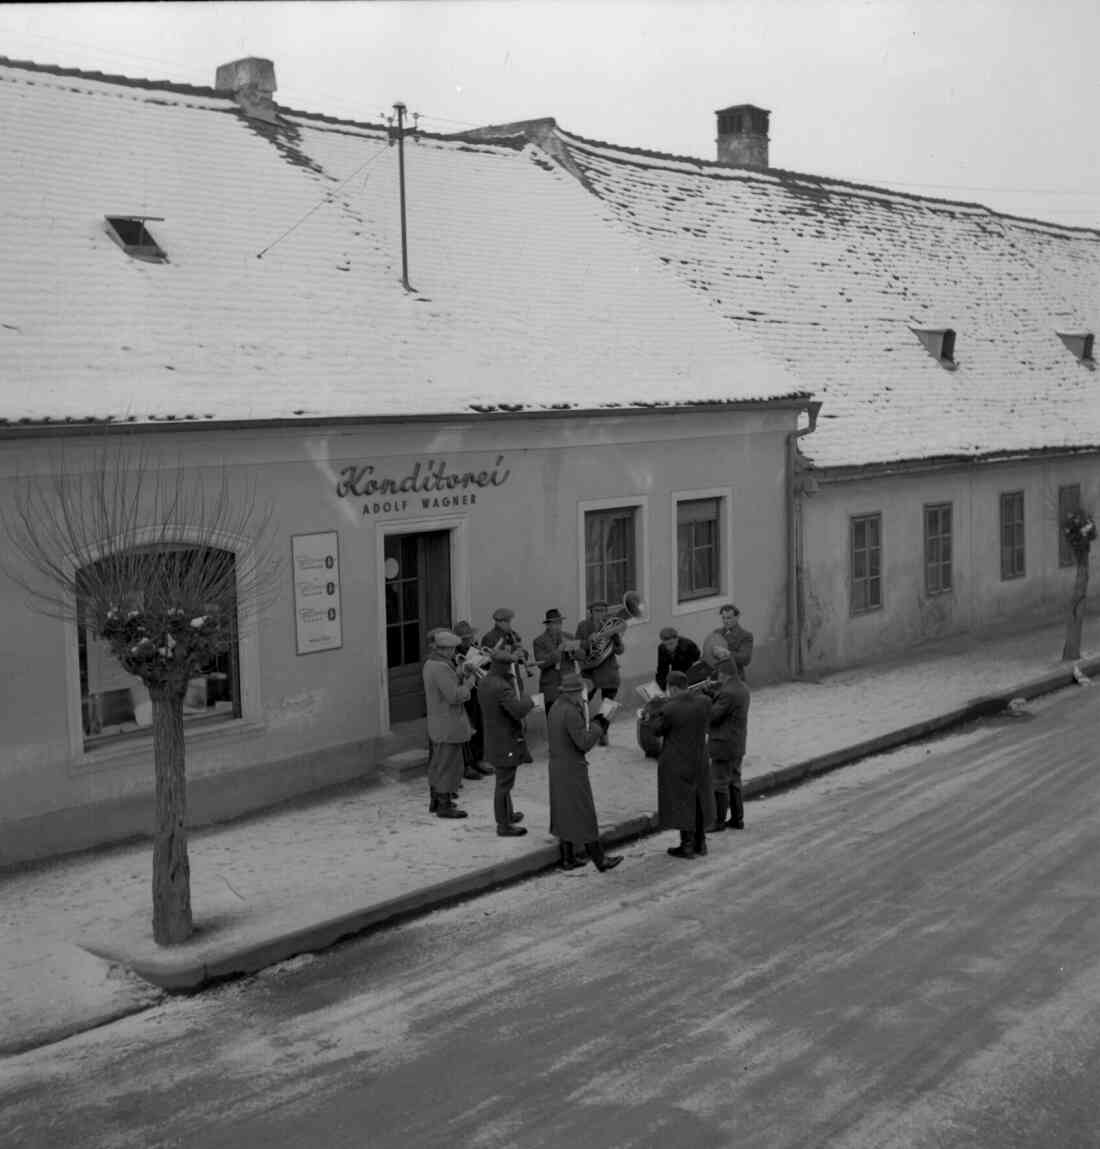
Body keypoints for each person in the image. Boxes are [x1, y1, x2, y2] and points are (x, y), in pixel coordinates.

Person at [546, 672, 623, 872]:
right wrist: (600, 724)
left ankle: (567, 858)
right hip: (572, 768)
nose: (584, 695)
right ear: (574, 693)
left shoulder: (556, 706)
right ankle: (600, 860)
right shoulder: (571, 711)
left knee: (564, 811)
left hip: (557, 766)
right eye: (582, 692)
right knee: (584, 812)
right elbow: (584, 743)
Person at [652, 671, 716, 859]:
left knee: (682, 802)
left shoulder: (670, 708)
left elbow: (657, 730)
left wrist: (654, 710)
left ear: (672, 688)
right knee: (698, 800)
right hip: (699, 758)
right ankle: (700, 843)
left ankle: (686, 845)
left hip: (677, 761)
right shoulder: (704, 702)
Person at [477, 648, 536, 837]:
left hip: (494, 739)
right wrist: (530, 700)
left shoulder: (485, 681)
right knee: (504, 784)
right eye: (509, 666)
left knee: (505, 781)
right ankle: (503, 824)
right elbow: (517, 711)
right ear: (504, 667)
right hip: (505, 741)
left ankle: (508, 814)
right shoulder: (501, 686)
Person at [421, 630, 475, 819]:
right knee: (448, 765)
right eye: (452, 649)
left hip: (439, 723)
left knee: (438, 763)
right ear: (444, 650)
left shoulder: (432, 664)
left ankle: (436, 800)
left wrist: (459, 672)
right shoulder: (441, 668)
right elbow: (454, 696)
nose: (454, 653)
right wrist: (468, 685)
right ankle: (444, 805)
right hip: (448, 724)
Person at [707, 658, 751, 831]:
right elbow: (726, 704)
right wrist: (712, 694)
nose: (718, 677)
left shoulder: (727, 692)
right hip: (737, 742)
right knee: (735, 781)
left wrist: (705, 700)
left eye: (719, 674)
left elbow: (713, 715)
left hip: (723, 743)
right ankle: (737, 819)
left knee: (719, 782)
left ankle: (718, 822)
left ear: (724, 674)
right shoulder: (743, 688)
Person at [576, 600, 623, 746]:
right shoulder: (583, 626)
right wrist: (588, 642)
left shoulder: (611, 625)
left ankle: (603, 730)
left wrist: (615, 640)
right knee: (582, 701)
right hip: (591, 670)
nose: (600, 614)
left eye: (603, 611)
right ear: (591, 612)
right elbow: (578, 646)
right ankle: (581, 731)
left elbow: (620, 650)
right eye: (597, 611)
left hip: (608, 670)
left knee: (608, 704)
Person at [453, 620, 492, 778]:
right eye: (464, 639)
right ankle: (466, 764)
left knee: (479, 725)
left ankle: (479, 759)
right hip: (462, 693)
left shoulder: (473, 649)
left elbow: (486, 668)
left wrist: (485, 660)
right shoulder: (454, 654)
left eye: (469, 637)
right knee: (465, 728)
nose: (468, 641)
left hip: (475, 692)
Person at [532, 608, 581, 709]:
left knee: (570, 718)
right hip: (551, 688)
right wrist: (558, 650)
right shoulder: (539, 641)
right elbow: (541, 664)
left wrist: (574, 651)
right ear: (548, 625)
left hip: (569, 686)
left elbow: (582, 656)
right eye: (555, 623)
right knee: (552, 719)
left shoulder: (569, 636)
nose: (558, 626)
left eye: (560, 623)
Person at [482, 607, 530, 696]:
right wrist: (511, 656)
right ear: (499, 622)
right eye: (508, 622)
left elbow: (522, 656)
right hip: (500, 681)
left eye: (509, 622)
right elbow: (487, 663)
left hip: (514, 679)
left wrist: (522, 653)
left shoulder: (512, 635)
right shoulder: (489, 638)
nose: (510, 625)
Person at [701, 603, 754, 679]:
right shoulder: (717, 632)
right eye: (723, 618)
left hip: (735, 677)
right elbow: (707, 654)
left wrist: (727, 653)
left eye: (729, 618)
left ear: (737, 617)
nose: (725, 621)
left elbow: (745, 659)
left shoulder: (745, 636)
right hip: (716, 677)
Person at [655, 626, 701, 692]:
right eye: (666, 645)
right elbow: (662, 669)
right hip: (676, 670)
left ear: (677, 639)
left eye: (671, 644)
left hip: (689, 670)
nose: (668, 647)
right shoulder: (661, 648)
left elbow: (697, 662)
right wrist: (664, 686)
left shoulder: (688, 645)